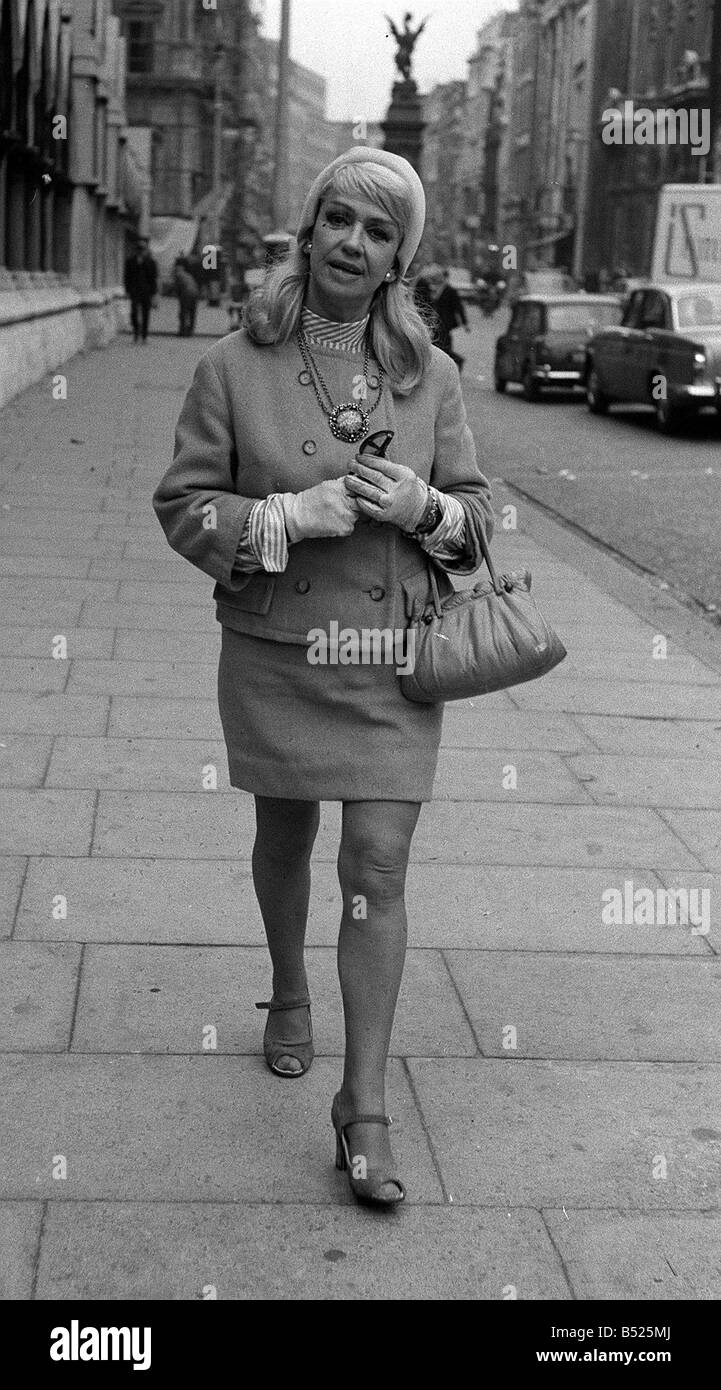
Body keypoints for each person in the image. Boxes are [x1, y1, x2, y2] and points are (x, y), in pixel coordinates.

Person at [152, 147, 493, 1209]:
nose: (353, 242)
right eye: (338, 218)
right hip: (276, 652)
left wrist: (425, 511)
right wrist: (281, 518)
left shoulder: (430, 375)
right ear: (309, 228)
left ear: (401, 255)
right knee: (286, 832)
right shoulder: (232, 363)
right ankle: (288, 988)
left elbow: (477, 527)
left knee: (378, 867)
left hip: (391, 659)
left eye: (379, 230)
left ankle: (364, 1104)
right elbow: (182, 504)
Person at [414, 263, 470, 372]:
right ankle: (449, 363)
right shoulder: (436, 289)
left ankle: (457, 361)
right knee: (439, 344)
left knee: (443, 345)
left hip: (447, 322)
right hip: (438, 322)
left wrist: (465, 323)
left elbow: (459, 308)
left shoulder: (451, 291)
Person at [123, 236, 158, 343]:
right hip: (134, 291)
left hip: (146, 291)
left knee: (145, 314)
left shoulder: (151, 262)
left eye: (143, 249)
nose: (141, 251)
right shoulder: (130, 261)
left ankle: (144, 336)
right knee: (134, 313)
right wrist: (127, 290)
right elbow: (127, 276)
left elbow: (153, 277)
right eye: (139, 249)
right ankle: (136, 333)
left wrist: (154, 293)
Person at [173, 257, 200, 337]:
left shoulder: (178, 274)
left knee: (183, 313)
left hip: (186, 294)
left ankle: (182, 330)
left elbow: (177, 287)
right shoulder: (188, 274)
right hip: (195, 293)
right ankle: (190, 330)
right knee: (192, 313)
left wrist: (176, 294)